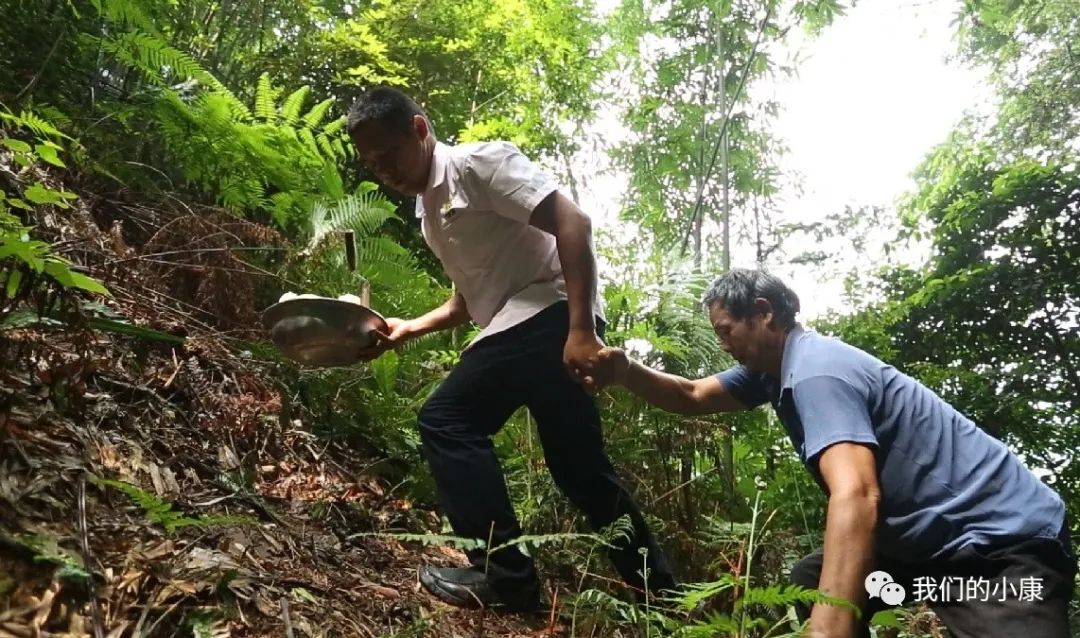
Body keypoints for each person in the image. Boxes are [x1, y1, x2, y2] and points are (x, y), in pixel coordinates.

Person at [585, 268, 1075, 638]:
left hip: (998, 551)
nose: (723, 343)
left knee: (830, 600)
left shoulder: (816, 370)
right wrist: (626, 372)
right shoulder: (771, 372)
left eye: (726, 330)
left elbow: (857, 494)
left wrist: (827, 629)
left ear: (763, 312)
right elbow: (691, 395)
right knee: (813, 579)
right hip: (932, 557)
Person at [345, 87, 677, 611]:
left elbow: (574, 223)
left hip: (549, 314)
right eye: (371, 162)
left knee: (447, 418)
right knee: (582, 472)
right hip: (528, 321)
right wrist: (408, 328)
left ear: (419, 129)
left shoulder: (477, 165)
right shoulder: (429, 210)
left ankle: (506, 578)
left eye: (389, 152)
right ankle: (666, 599)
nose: (382, 168)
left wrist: (582, 329)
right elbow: (468, 300)